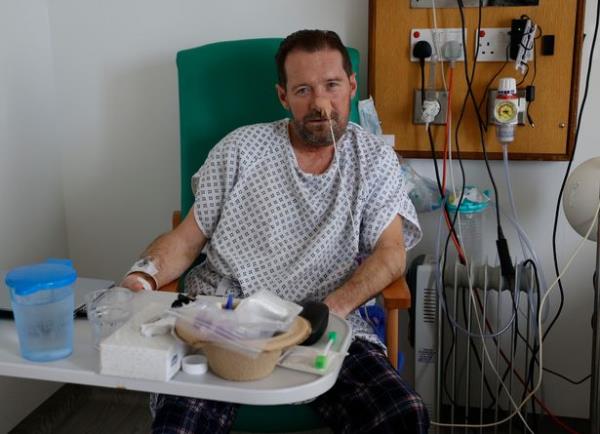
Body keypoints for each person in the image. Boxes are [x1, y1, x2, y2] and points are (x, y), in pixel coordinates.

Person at [121, 29, 429, 434]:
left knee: (402, 416)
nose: (320, 103)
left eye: (332, 86)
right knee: (179, 426)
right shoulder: (239, 150)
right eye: (303, 90)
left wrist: (326, 313)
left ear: (352, 86)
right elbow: (185, 239)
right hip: (224, 320)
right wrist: (142, 276)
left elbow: (391, 253)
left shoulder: (373, 160)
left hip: (328, 321)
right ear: (283, 96)